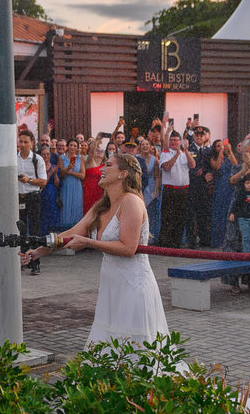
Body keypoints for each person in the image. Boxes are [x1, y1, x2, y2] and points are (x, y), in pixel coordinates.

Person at [20, 153, 168, 347]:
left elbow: (128, 248)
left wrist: (89, 243)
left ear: (123, 174)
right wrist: (40, 251)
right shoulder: (101, 206)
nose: (101, 170)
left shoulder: (131, 201)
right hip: (110, 284)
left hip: (133, 285)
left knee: (134, 348)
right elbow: (73, 233)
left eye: (108, 165)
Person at [16, 130, 47, 275]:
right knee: (20, 230)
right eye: (20, 141)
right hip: (17, 198)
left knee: (34, 230)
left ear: (32, 143)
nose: (22, 144)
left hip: (33, 197)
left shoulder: (37, 159)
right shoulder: (13, 158)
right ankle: (24, 260)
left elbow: (43, 182)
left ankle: (35, 263)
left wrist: (28, 180)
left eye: (25, 142)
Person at [158, 129, 194, 247]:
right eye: (172, 140)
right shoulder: (165, 153)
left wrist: (185, 151)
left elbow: (192, 165)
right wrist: (177, 154)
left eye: (176, 140)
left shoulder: (185, 154)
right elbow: (167, 167)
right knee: (168, 217)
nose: (174, 142)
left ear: (180, 141)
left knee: (181, 217)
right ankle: (165, 243)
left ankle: (176, 244)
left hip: (183, 190)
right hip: (170, 189)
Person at [58, 139, 85, 229]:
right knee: (66, 207)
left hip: (77, 186)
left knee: (76, 207)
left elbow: (82, 175)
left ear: (77, 148)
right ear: (67, 146)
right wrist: (68, 168)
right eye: (71, 145)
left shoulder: (80, 158)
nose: (72, 147)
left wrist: (70, 172)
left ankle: (76, 230)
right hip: (66, 185)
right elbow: (61, 175)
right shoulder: (62, 157)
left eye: (75, 146)